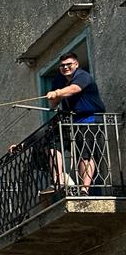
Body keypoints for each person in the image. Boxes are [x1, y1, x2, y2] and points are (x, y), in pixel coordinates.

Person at [46, 51, 106, 192]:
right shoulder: (58, 80)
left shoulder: (83, 76)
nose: (65, 67)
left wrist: (58, 92)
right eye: (62, 66)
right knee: (52, 141)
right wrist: (54, 97)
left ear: (76, 64)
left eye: (69, 64)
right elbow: (53, 104)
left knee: (86, 153)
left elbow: (74, 89)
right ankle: (59, 181)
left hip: (90, 119)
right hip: (71, 120)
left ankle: (84, 189)